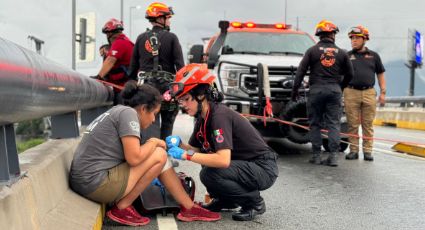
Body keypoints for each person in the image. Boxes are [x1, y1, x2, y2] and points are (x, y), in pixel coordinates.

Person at [69, 81, 221, 227]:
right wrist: (154, 141)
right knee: (159, 155)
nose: (154, 119)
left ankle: (188, 207)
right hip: (95, 184)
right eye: (154, 113)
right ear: (143, 109)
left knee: (157, 154)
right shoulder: (128, 114)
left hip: (86, 181)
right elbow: (134, 158)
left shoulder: (118, 111)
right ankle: (123, 208)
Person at [166, 63, 279, 221]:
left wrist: (185, 155)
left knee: (210, 172)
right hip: (244, 165)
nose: (183, 105)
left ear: (200, 95)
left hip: (263, 167)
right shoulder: (202, 117)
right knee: (207, 161)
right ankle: (226, 200)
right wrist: (180, 146)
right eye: (180, 101)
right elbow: (198, 150)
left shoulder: (219, 116)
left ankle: (254, 203)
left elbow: (223, 160)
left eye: (186, 99)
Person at [291, 20, 354, 167]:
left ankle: (316, 156)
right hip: (334, 91)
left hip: (316, 90)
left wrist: (295, 91)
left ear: (319, 35)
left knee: (315, 124)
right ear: (333, 34)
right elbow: (350, 74)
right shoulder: (342, 53)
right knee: (333, 124)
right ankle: (333, 157)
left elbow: (300, 72)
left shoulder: (312, 51)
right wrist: (340, 86)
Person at [129, 2, 184, 142]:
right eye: (168, 17)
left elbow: (133, 68)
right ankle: (165, 157)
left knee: (149, 123)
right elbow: (180, 67)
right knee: (167, 122)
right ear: (160, 18)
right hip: (167, 90)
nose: (169, 21)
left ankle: (149, 155)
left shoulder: (141, 38)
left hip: (146, 88)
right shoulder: (172, 38)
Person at [344, 25, 386, 162]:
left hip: (369, 92)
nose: (353, 41)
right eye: (352, 38)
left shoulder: (374, 56)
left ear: (365, 39)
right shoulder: (347, 56)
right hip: (350, 92)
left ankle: (368, 151)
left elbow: (380, 73)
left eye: (356, 38)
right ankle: (353, 150)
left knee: (368, 124)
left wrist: (383, 92)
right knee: (352, 123)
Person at [92, 18, 134, 105]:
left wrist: (99, 77)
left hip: (122, 90)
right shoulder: (126, 42)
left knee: (121, 116)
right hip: (127, 88)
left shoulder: (119, 43)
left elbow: (111, 60)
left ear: (109, 34)